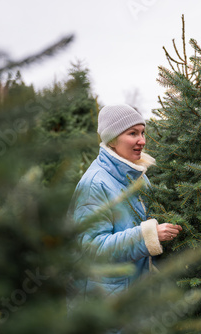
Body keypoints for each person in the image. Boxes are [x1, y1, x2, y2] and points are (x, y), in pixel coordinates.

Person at [66, 104, 182, 313]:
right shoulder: (95, 184)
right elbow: (93, 248)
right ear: (112, 139)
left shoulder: (138, 176)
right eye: (132, 133)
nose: (142, 140)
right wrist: (148, 236)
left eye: (143, 132)